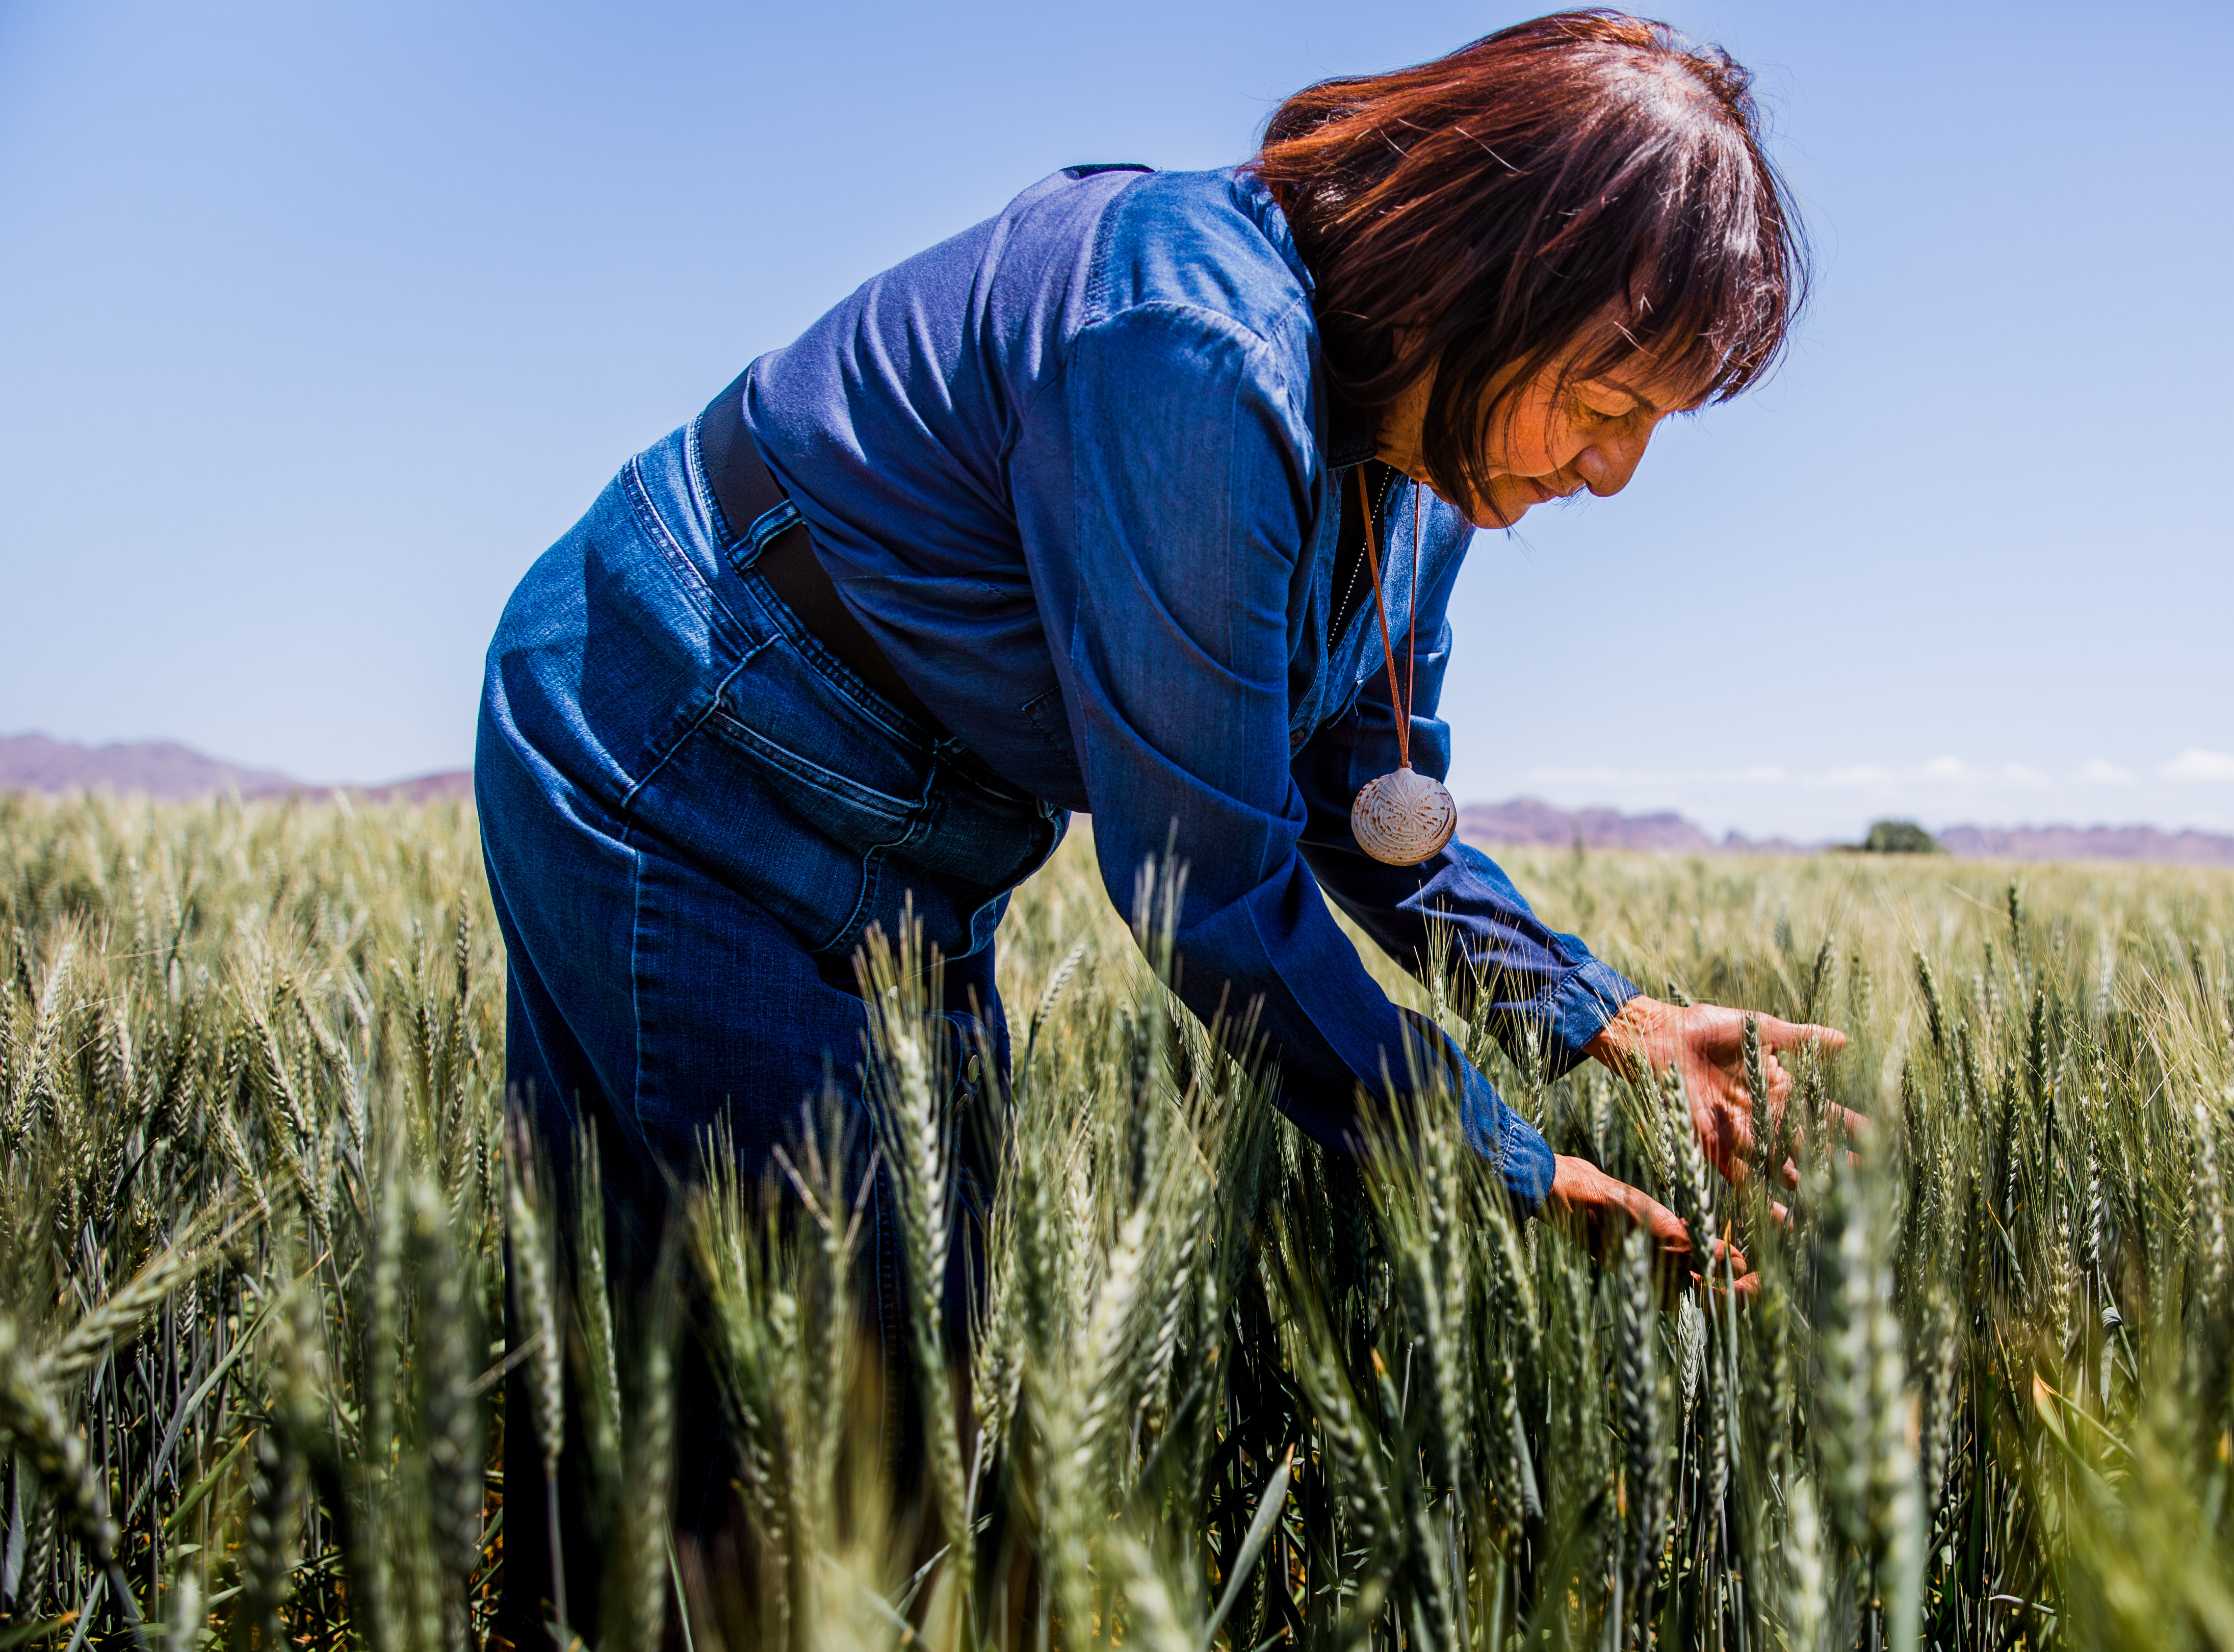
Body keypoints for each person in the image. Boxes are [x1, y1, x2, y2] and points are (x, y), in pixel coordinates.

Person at [481, 8, 1841, 1636]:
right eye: (1606, 402)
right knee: (850, 1430)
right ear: (1484, 283)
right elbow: (1211, 887)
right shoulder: (1194, 351)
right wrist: (1504, 1167)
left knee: (799, 1392)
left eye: (1654, 429)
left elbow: (1365, 803)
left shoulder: (1424, 463)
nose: (1613, 474)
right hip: (686, 757)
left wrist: (1603, 1018)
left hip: (906, 848)